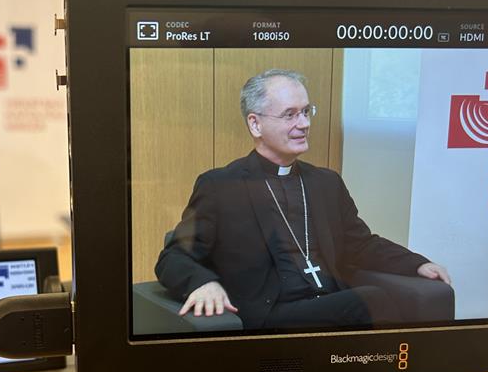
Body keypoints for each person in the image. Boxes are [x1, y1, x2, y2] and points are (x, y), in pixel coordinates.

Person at [155, 69, 451, 329]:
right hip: (272, 313)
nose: (304, 123)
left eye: (306, 112)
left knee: (368, 300)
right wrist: (203, 283)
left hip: (327, 301)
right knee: (370, 300)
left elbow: (360, 244)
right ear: (255, 124)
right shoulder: (221, 186)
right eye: (290, 114)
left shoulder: (326, 182)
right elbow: (174, 256)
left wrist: (415, 264)